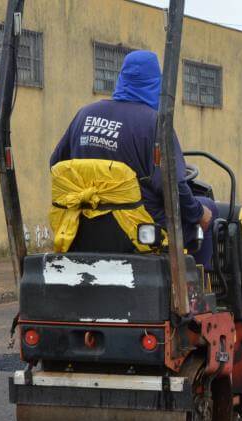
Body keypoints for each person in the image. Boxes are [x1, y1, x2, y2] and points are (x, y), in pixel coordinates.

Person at [50, 50, 216, 266]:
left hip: (83, 226)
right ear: (156, 84)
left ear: (122, 79)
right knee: (208, 208)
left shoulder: (84, 115)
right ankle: (197, 288)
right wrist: (198, 214)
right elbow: (174, 186)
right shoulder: (155, 123)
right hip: (140, 229)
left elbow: (56, 164)